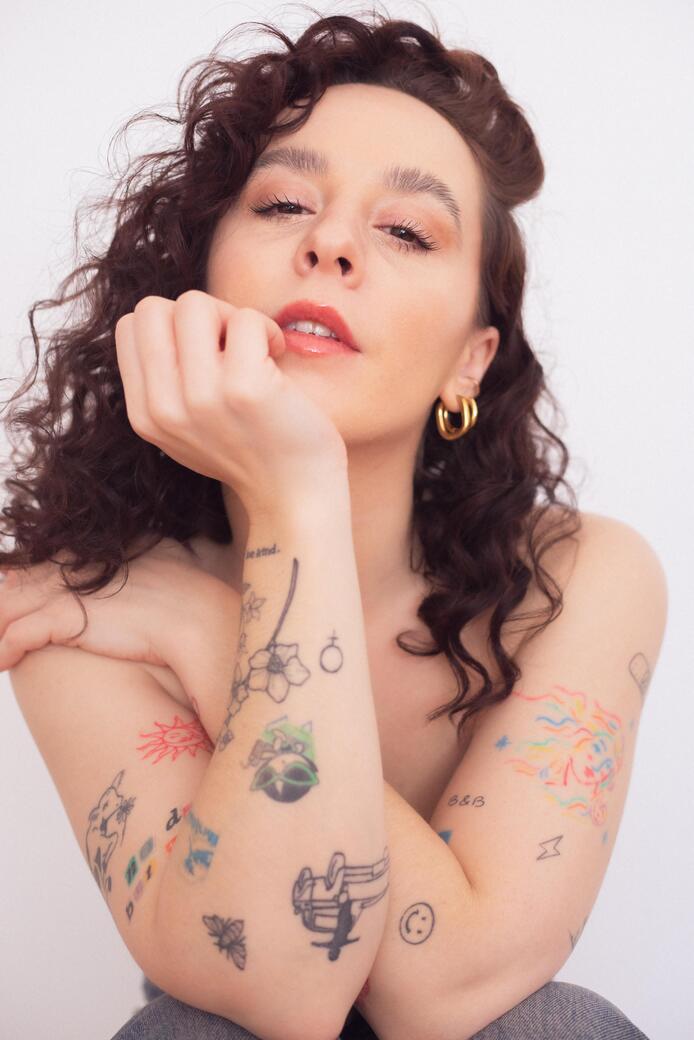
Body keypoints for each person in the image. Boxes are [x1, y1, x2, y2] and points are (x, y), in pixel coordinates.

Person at [0, 6, 665, 1039]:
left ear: (470, 362)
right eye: (282, 204)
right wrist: (294, 496)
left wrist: (213, 628)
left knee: (556, 1023)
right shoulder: (81, 597)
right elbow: (281, 987)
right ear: (198, 280)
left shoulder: (580, 575)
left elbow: (454, 990)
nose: (331, 243)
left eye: (406, 230)